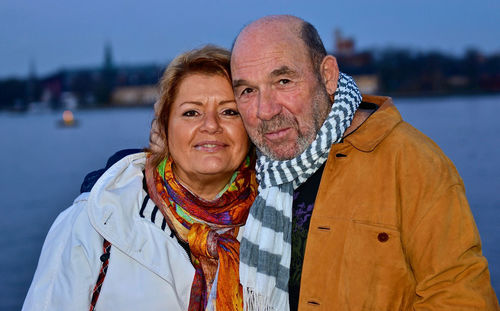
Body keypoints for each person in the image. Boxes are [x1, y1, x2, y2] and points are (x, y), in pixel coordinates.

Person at [227, 15, 499, 310]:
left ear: (328, 75)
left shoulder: (412, 163)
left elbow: (462, 300)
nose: (265, 111)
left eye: (283, 81)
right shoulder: (246, 174)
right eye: (247, 90)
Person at [22, 45, 258, 311]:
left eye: (229, 112)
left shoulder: (278, 221)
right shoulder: (93, 221)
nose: (211, 125)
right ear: (163, 127)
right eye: (191, 112)